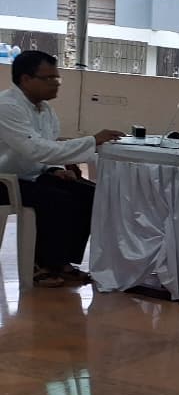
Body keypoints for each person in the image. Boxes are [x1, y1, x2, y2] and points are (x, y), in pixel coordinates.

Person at [0, 51, 123, 286]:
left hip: (31, 176)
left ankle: (63, 262)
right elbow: (35, 149)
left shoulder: (45, 110)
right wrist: (92, 140)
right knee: (57, 200)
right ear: (25, 79)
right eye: (49, 78)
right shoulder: (7, 107)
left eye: (57, 78)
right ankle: (41, 264)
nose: (56, 84)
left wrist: (56, 168)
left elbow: (48, 146)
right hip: (5, 181)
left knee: (89, 195)